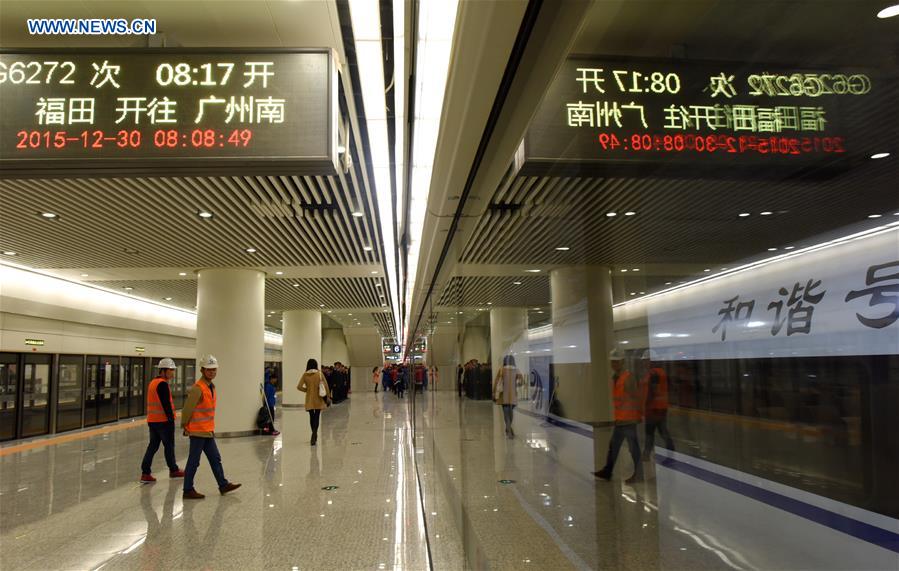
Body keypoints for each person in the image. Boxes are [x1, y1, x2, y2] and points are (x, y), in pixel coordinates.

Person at [181, 355, 241, 499]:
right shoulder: (198, 388)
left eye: (214, 369)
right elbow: (187, 409)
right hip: (197, 431)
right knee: (194, 461)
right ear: (202, 370)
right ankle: (187, 490)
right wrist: (185, 425)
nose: (212, 372)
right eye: (209, 370)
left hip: (207, 430)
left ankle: (223, 484)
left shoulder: (211, 387)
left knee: (215, 458)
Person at [594, 349, 644, 484]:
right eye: (612, 362)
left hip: (629, 420)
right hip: (621, 420)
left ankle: (639, 474)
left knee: (633, 449)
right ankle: (607, 471)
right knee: (614, 446)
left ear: (622, 362)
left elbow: (636, 397)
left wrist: (639, 415)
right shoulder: (615, 378)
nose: (614, 364)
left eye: (616, 362)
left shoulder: (628, 378)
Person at [140, 358, 184, 482]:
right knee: (169, 446)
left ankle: (145, 472)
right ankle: (173, 470)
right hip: (163, 422)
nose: (173, 373)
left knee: (153, 446)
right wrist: (171, 419)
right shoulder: (162, 384)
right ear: (163, 371)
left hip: (153, 421)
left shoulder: (152, 383)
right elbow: (166, 405)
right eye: (171, 370)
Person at [641, 350, 674, 459]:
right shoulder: (661, 372)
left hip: (653, 408)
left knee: (650, 432)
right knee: (662, 431)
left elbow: (652, 391)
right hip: (661, 407)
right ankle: (670, 451)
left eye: (645, 360)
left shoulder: (653, 373)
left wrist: (645, 407)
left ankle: (646, 454)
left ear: (651, 360)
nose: (644, 363)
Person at [298, 358, 331, 446]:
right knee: (317, 416)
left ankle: (313, 433)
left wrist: (307, 390)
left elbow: (299, 386)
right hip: (319, 399)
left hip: (309, 399)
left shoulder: (305, 375)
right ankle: (314, 434)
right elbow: (326, 386)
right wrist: (328, 396)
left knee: (311, 417)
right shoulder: (319, 374)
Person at [493, 354, 524, 439]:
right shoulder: (516, 370)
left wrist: (494, 393)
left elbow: (496, 383)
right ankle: (509, 428)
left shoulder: (501, 370)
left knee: (506, 412)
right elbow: (522, 382)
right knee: (511, 413)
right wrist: (515, 384)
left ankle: (508, 428)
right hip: (513, 395)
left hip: (504, 395)